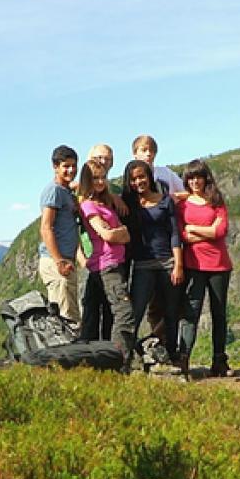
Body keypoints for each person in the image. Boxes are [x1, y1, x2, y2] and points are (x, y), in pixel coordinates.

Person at [121, 159, 186, 374]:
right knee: (135, 312)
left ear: (149, 177)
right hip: (142, 265)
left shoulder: (165, 201)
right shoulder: (128, 205)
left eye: (142, 176)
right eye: (134, 179)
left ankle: (172, 356)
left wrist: (178, 264)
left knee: (171, 311)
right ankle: (126, 357)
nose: (139, 181)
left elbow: (174, 233)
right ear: (129, 182)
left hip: (167, 262)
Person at [177, 159, 233, 376]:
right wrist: (206, 230)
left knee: (219, 313)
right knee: (191, 313)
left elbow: (220, 232)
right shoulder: (182, 205)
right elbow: (182, 234)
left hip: (219, 266)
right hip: (193, 266)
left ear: (205, 178)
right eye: (190, 177)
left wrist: (193, 229)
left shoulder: (216, 201)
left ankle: (219, 361)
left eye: (198, 177)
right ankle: (184, 359)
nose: (194, 181)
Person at [77, 159, 135, 371]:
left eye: (103, 177)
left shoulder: (105, 203)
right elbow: (108, 233)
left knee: (97, 316)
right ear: (87, 180)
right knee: (124, 313)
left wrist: (119, 233)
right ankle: (119, 363)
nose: (100, 182)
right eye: (95, 178)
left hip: (109, 264)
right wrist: (120, 233)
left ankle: (95, 363)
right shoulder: (89, 205)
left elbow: (122, 234)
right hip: (107, 265)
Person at [131, 134, 187, 348]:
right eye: (142, 150)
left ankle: (167, 350)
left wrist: (173, 198)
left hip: (166, 257)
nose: (147, 154)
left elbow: (185, 192)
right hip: (142, 261)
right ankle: (137, 352)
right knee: (141, 308)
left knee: (170, 308)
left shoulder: (165, 175)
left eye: (150, 150)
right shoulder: (131, 179)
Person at [79, 143, 118, 341]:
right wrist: (81, 259)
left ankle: (103, 353)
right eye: (100, 158)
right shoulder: (80, 197)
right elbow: (74, 229)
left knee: (105, 309)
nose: (104, 161)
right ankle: (92, 353)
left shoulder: (110, 193)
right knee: (93, 311)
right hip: (92, 259)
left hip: (110, 258)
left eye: (108, 159)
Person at [38, 145, 81, 323]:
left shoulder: (65, 191)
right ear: (55, 167)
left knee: (70, 314)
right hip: (57, 262)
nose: (71, 170)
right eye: (66, 166)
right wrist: (59, 262)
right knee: (66, 319)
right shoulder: (54, 191)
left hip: (65, 261)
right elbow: (46, 227)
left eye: (74, 165)